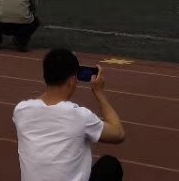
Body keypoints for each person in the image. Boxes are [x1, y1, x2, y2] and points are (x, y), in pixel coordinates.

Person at [13, 48, 124, 181]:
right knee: (110, 166)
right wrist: (99, 93)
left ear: (45, 76)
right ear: (72, 81)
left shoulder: (21, 111)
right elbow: (118, 134)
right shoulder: (80, 116)